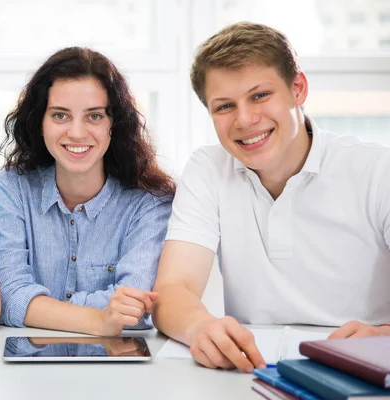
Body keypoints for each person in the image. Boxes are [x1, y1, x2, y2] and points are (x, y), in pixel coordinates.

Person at [152, 21, 390, 372]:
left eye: (260, 95)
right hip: (252, 372)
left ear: (298, 89)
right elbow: (173, 290)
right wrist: (201, 327)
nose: (245, 120)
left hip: (362, 372)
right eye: (224, 107)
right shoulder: (207, 169)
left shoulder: (376, 169)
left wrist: (384, 335)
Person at [0, 47, 175, 336]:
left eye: (94, 117)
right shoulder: (12, 188)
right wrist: (99, 318)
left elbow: (137, 310)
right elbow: (7, 297)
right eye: (60, 115)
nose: (76, 132)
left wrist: (38, 306)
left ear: (116, 124)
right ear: (39, 123)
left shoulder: (150, 202)